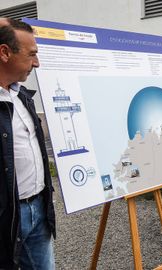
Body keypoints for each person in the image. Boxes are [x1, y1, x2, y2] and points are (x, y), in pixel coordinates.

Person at [0, 18, 56, 269]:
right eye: (31, 54)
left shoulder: (22, 96)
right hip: (7, 219)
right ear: (4, 52)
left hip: (38, 211)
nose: (37, 62)